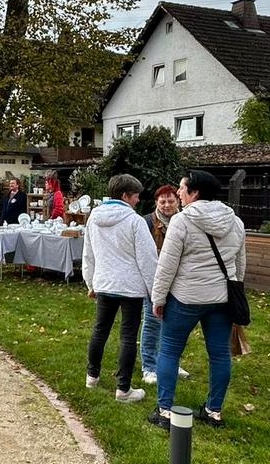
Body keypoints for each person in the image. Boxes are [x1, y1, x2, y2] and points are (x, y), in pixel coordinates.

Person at [149, 170, 246, 429]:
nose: (178, 193)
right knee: (219, 354)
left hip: (186, 297)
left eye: (183, 189)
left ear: (195, 193)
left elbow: (167, 265)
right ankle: (214, 411)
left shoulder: (182, 221)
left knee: (169, 349)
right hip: (222, 299)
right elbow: (239, 264)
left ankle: (165, 410)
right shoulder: (235, 222)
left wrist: (158, 298)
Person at [83, 174, 158, 404]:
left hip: (104, 283)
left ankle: (92, 376)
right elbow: (148, 259)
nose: (137, 200)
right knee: (127, 337)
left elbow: (89, 253)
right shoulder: (135, 221)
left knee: (100, 331)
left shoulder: (94, 217)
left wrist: (90, 282)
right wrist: (155, 292)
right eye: (135, 196)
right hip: (130, 287)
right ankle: (123, 389)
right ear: (125, 196)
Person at [141, 185, 189, 387]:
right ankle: (149, 366)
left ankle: (170, 363)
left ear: (177, 201)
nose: (167, 205)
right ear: (156, 203)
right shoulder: (147, 222)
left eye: (171, 201)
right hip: (155, 280)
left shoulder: (186, 221)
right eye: (163, 202)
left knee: (175, 325)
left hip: (179, 280)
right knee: (152, 322)